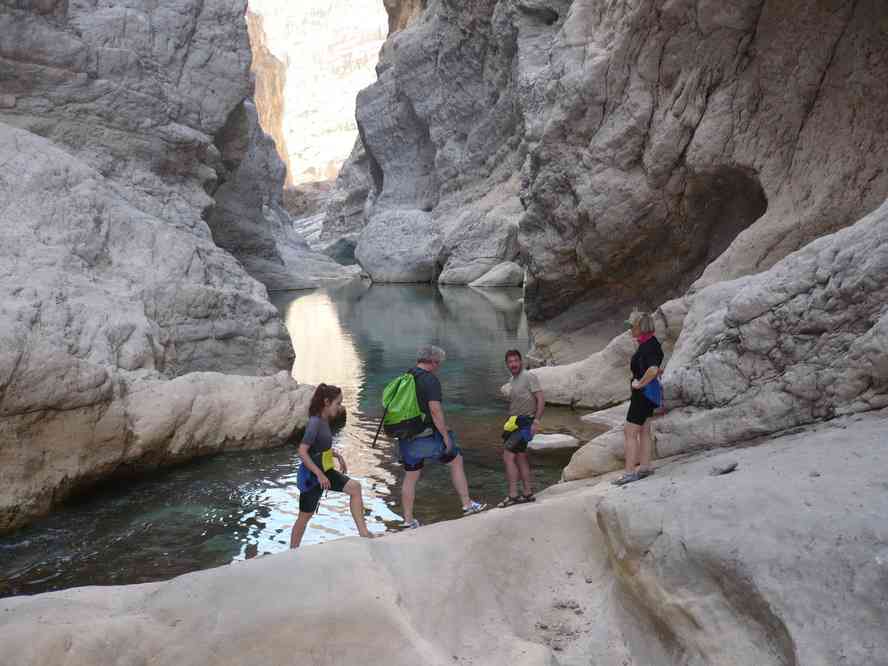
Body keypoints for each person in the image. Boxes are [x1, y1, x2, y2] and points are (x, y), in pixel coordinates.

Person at [398, 345, 486, 528]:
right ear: (432, 362)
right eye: (438, 363)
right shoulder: (430, 380)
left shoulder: (405, 377)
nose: (438, 366)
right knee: (456, 460)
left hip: (406, 436)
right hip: (426, 436)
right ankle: (467, 505)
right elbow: (435, 410)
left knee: (411, 476)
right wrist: (445, 436)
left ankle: (408, 520)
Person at [290, 383, 375, 548]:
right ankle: (292, 551)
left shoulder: (324, 420)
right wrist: (319, 475)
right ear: (327, 402)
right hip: (312, 478)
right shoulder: (315, 422)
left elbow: (320, 447)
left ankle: (364, 533)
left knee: (355, 488)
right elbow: (302, 451)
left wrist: (338, 456)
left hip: (325, 472)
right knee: (304, 517)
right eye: (338, 403)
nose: (340, 406)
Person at [613, 311, 664, 486]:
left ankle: (629, 473)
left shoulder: (648, 346)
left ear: (640, 327)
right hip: (648, 396)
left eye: (631, 326)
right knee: (644, 431)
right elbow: (655, 368)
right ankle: (645, 467)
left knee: (630, 432)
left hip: (642, 396)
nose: (629, 330)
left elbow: (653, 369)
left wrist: (639, 384)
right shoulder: (651, 343)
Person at [497, 349, 544, 507]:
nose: (513, 364)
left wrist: (536, 421)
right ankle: (528, 493)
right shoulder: (512, 379)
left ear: (521, 361)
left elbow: (541, 399)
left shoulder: (529, 376)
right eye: (510, 362)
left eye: (515, 361)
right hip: (514, 423)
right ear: (507, 364)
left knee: (507, 456)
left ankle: (513, 495)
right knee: (520, 457)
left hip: (525, 423)